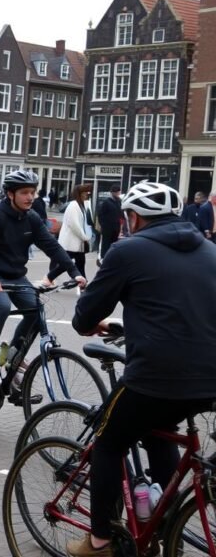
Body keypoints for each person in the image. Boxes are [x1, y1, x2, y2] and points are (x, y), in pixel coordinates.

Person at [66, 181, 216, 557]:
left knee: (109, 441)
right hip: (209, 378)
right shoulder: (211, 251)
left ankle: (99, 541)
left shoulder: (128, 251)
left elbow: (85, 317)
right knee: (160, 431)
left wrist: (93, 323)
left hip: (155, 374)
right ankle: (166, 527)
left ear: (134, 217)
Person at [0, 171, 85, 388]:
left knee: (35, 313)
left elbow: (51, 246)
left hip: (15, 275)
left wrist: (74, 272)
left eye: (33, 192)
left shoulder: (31, 218)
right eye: (24, 193)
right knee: (2, 306)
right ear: (10, 194)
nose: (31, 197)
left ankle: (12, 355)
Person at [44, 184, 94, 285]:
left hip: (78, 243)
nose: (87, 195)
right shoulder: (73, 206)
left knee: (80, 263)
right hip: (71, 242)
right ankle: (49, 277)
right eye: (85, 193)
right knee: (66, 264)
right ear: (79, 194)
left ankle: (82, 282)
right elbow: (74, 224)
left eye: (88, 193)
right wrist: (84, 237)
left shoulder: (82, 205)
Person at [96, 184, 122, 261]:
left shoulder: (119, 201)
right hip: (107, 228)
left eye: (119, 192)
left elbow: (120, 214)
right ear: (113, 193)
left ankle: (112, 257)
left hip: (116, 227)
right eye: (117, 192)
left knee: (114, 243)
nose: (118, 194)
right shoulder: (106, 202)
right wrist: (102, 225)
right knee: (106, 243)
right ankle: (104, 258)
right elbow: (100, 214)